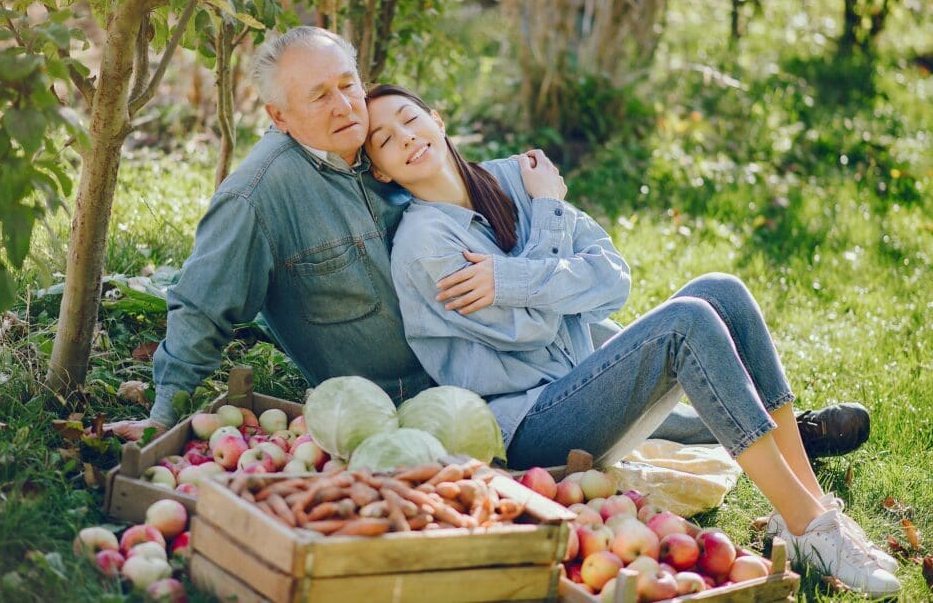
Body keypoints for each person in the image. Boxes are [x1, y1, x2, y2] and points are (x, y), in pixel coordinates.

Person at [104, 27, 869, 462]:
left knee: (625, 349)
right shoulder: (259, 196)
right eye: (320, 96)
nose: (345, 105)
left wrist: (542, 212)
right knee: (629, 369)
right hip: (427, 390)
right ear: (276, 117)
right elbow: (201, 303)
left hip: (499, 341)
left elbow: (501, 227)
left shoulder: (379, 155)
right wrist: (166, 406)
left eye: (348, 83)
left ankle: (782, 436)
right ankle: (779, 444)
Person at [362, 84, 900, 597]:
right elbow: (535, 325)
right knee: (685, 322)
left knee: (722, 291)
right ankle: (811, 530)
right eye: (384, 139)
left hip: (578, 381)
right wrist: (550, 215)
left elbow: (612, 278)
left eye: (409, 119)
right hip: (528, 429)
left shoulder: (514, 177)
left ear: (437, 120)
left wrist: (510, 278)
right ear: (381, 170)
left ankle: (804, 510)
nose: (405, 137)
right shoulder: (424, 244)